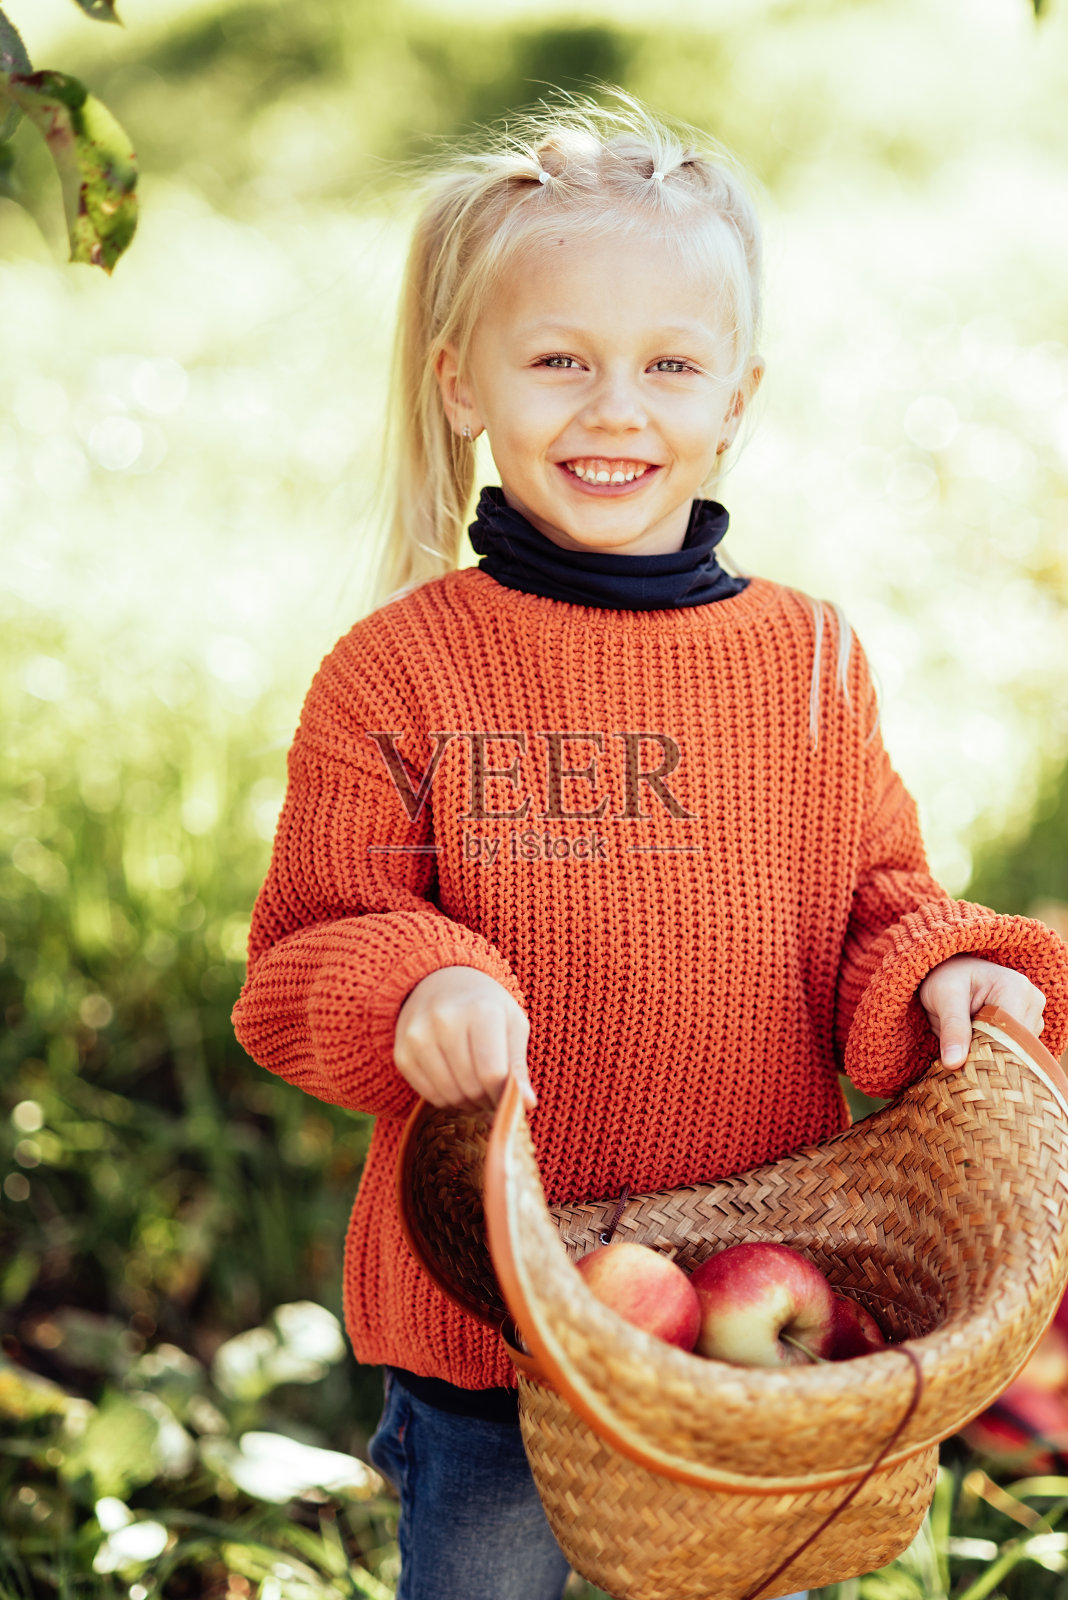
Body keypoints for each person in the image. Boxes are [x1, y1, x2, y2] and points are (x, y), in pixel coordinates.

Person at [231, 93, 1066, 1600]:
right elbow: (304, 950)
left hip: (748, 1355)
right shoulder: (400, 672)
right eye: (559, 361)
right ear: (461, 380)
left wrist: (943, 974)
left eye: (669, 366)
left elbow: (879, 898)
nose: (616, 410)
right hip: (499, 1332)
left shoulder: (808, 659)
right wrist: (414, 987)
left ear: (737, 396)